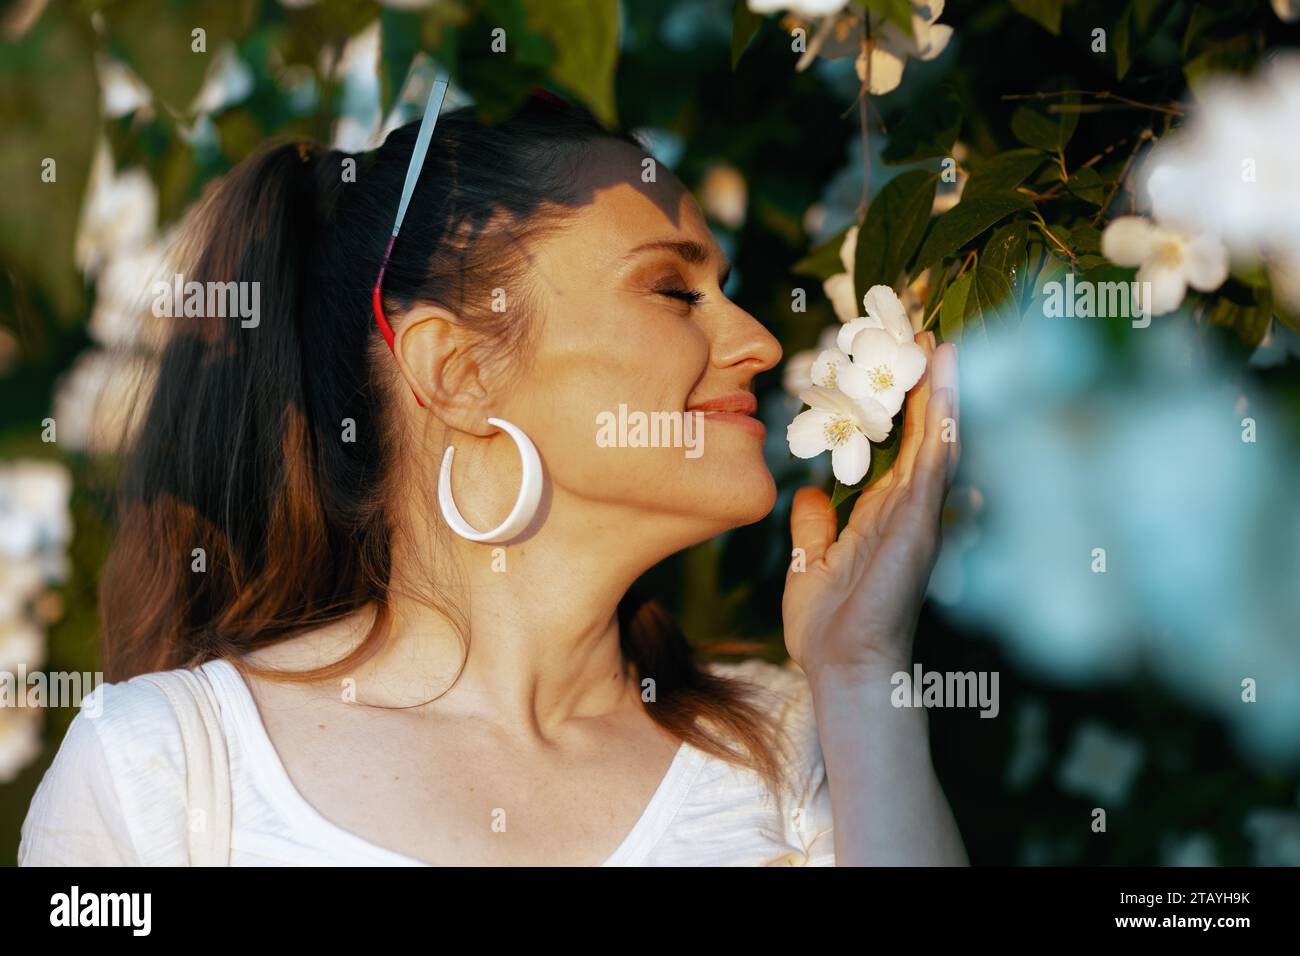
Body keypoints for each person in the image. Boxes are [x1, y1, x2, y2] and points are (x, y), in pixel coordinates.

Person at [19, 89, 965, 866]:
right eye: (675, 291)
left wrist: (863, 675)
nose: (757, 342)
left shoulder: (791, 743)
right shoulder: (164, 775)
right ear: (458, 372)